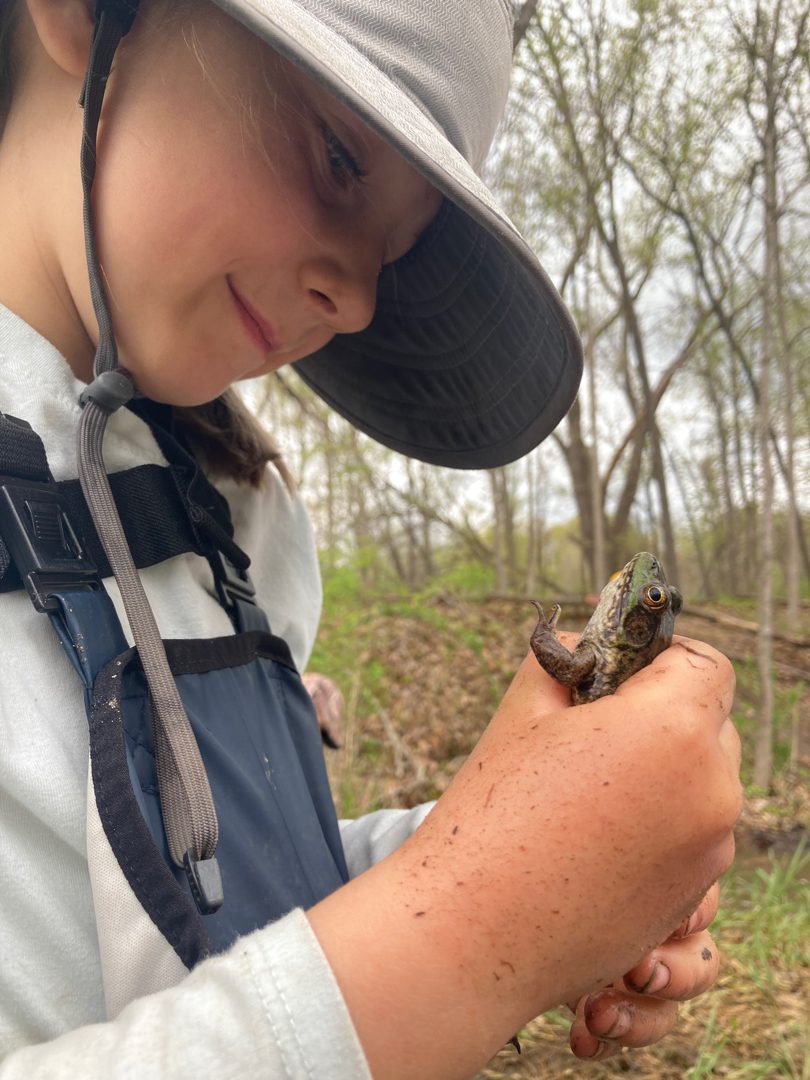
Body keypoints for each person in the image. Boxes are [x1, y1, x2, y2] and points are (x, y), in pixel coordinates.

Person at [0, 1, 742, 1078]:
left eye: (392, 255)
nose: (355, 301)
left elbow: (223, 895)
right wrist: (469, 935)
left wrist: (533, 857)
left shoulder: (236, 514)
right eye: (340, 155)